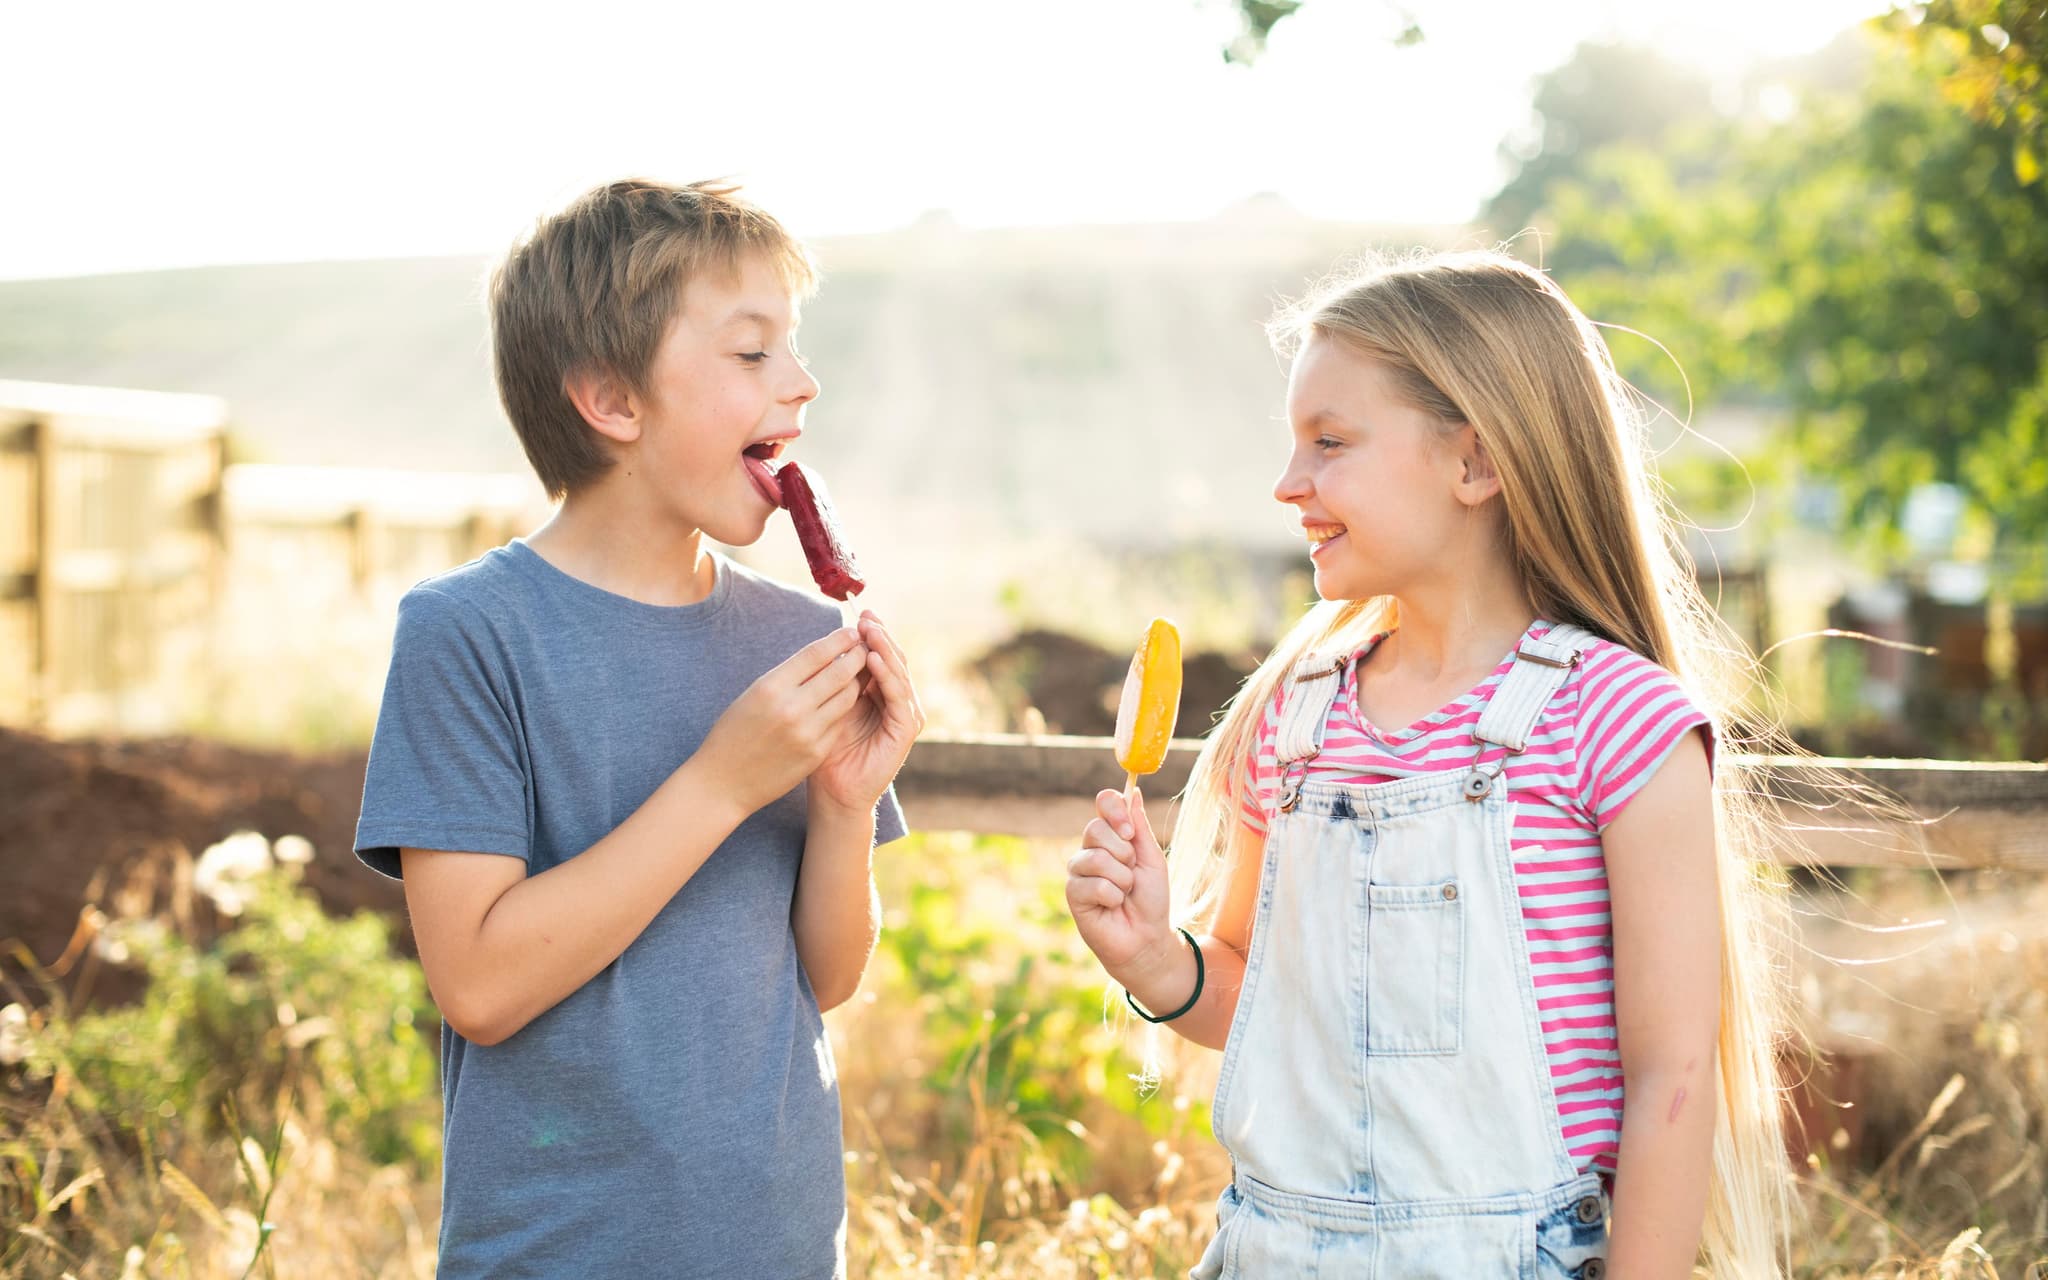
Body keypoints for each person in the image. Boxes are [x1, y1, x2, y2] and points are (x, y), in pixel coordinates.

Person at [1065, 250, 1793, 1278]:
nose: (1287, 484)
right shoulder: (1295, 716)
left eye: (1328, 443)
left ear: (1473, 463)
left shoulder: (1614, 718)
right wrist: (1154, 959)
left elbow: (1670, 1075)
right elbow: (1252, 999)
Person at [353, 179, 923, 1278]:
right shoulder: (468, 633)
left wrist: (843, 802)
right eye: (750, 355)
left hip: (778, 1242)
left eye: (791, 349)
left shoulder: (794, 636)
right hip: (556, 1250)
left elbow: (828, 972)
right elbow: (478, 982)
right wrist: (721, 780)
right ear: (611, 400)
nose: (800, 385)